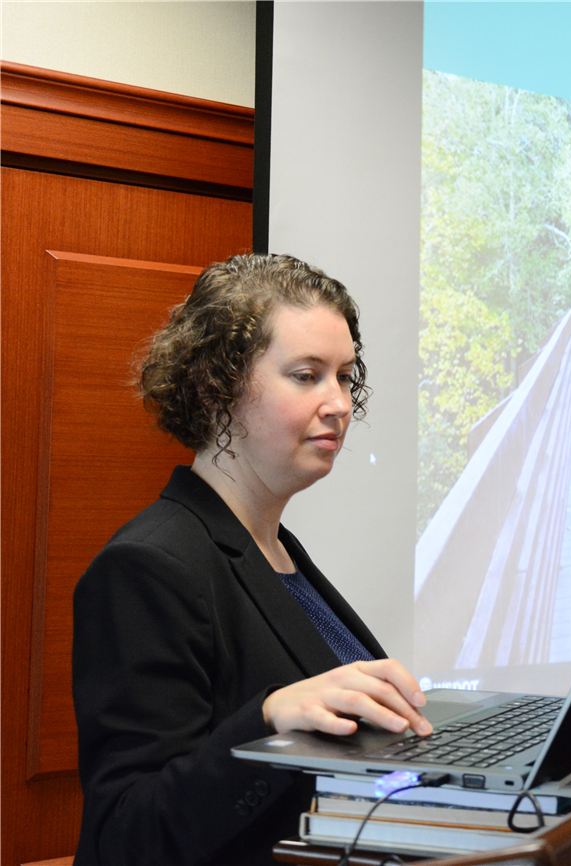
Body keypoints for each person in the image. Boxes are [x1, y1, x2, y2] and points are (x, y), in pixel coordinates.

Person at [72, 254, 432, 866]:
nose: (339, 403)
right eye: (306, 375)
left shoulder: (278, 551)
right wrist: (266, 721)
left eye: (345, 377)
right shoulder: (145, 566)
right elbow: (127, 836)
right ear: (216, 388)